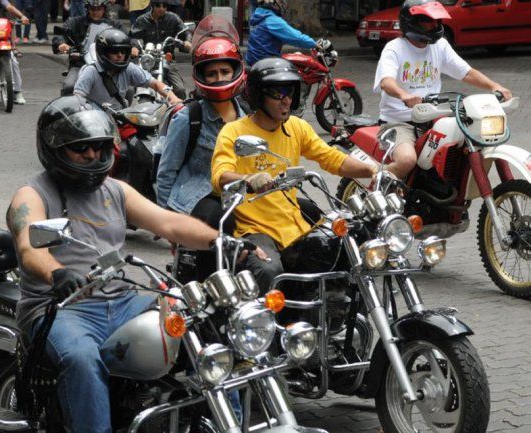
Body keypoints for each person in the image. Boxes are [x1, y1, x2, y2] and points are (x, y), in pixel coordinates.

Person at [6, 95, 223, 433]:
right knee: (81, 359)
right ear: (55, 149)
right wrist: (57, 272)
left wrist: (220, 240)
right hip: (60, 307)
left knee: (197, 318)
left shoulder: (115, 190)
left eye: (98, 145)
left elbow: (168, 223)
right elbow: (28, 246)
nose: (92, 155)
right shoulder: (33, 194)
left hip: (121, 300)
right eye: (80, 148)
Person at [211, 57, 377, 291]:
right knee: (269, 271)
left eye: (289, 91)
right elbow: (220, 176)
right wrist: (248, 180)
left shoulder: (296, 127)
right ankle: (266, 326)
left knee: (350, 250)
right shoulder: (234, 132)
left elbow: (331, 158)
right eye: (277, 93)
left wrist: (372, 169)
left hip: (294, 225)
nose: (286, 99)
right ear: (258, 95)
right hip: (256, 229)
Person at [374, 0, 512, 179]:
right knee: (407, 160)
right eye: (428, 21)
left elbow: (466, 73)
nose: (435, 25)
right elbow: (386, 82)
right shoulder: (394, 48)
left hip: (433, 117)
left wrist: (495, 86)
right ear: (411, 21)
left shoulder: (440, 46)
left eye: (437, 21)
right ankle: (376, 185)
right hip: (399, 122)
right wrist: (404, 94)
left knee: (465, 148)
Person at [156, 36, 246, 231]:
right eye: (212, 73)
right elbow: (166, 171)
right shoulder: (189, 117)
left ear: (235, 71)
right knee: (222, 219)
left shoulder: (247, 118)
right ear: (202, 77)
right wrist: (167, 224)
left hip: (237, 196)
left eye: (225, 71)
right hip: (197, 197)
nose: (220, 78)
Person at [74, 28, 180, 109]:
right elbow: (78, 99)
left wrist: (172, 97)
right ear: (103, 52)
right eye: (115, 51)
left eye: (123, 51)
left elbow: (156, 84)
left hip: (119, 119)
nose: (120, 55)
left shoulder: (129, 68)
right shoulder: (91, 71)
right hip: (96, 121)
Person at [54, 0, 122, 96]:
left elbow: (127, 37)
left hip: (109, 65)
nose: (95, 12)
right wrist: (61, 44)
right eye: (93, 9)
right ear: (87, 9)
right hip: (80, 63)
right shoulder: (76, 22)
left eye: (99, 9)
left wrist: (134, 47)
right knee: (69, 86)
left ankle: (123, 109)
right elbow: (62, 33)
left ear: (104, 9)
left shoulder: (115, 25)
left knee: (128, 89)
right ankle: (68, 110)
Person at [129, 0, 191, 99]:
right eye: (158, 5)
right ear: (152, 6)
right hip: (146, 58)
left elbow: (185, 31)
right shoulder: (142, 19)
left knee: (180, 89)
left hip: (167, 59)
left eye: (164, 6)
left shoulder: (173, 18)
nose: (161, 8)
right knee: (130, 88)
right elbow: (133, 36)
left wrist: (187, 41)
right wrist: (134, 47)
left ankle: (181, 111)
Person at [244, 0, 315, 66]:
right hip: (266, 63)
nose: (282, 3)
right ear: (272, 3)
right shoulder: (272, 20)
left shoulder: (259, 16)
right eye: (280, 1)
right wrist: (314, 44)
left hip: (253, 61)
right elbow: (297, 38)